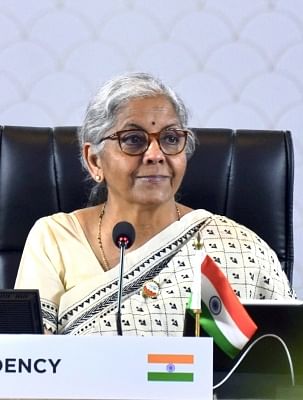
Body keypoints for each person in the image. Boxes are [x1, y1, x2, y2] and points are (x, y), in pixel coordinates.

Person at [15, 72, 295, 335]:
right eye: (133, 140)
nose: (155, 154)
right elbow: (27, 364)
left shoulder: (236, 247)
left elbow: (287, 362)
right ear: (94, 160)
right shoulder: (55, 238)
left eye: (171, 139)